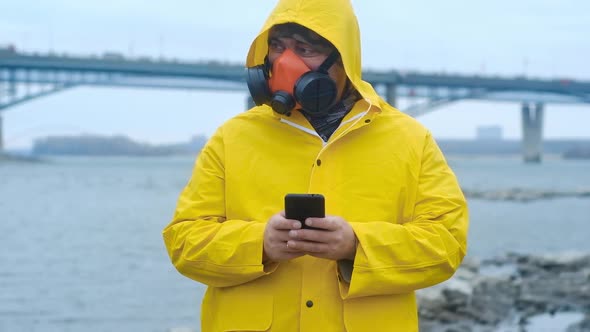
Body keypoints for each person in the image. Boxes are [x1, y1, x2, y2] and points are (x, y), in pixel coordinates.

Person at [162, 0, 469, 331]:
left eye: (304, 49)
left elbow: (446, 244)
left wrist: (356, 245)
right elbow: (185, 242)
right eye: (277, 46)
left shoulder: (409, 139)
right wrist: (259, 245)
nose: (284, 61)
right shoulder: (233, 137)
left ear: (343, 59)